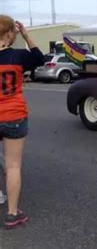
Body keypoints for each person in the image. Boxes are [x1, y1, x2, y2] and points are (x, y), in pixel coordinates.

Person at [0, 15, 44, 229]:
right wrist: (25, 35)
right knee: (13, 165)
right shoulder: (19, 55)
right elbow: (39, 58)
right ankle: (11, 214)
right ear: (10, 33)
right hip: (13, 115)